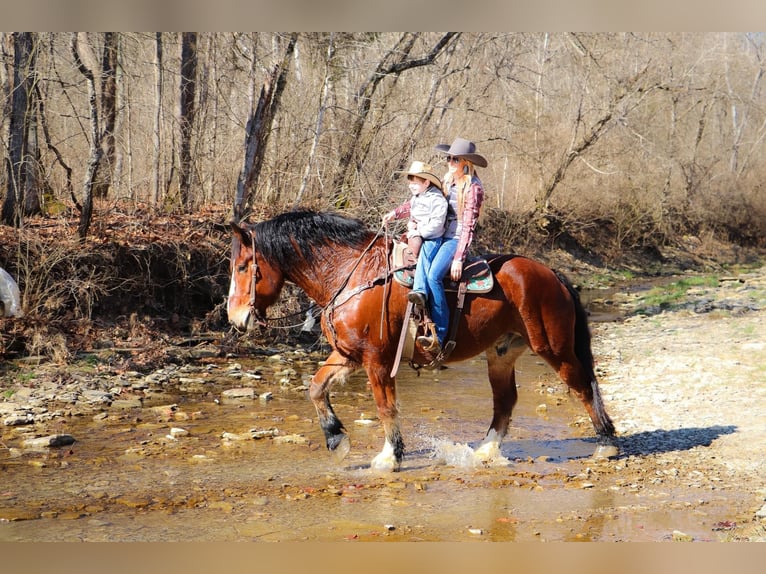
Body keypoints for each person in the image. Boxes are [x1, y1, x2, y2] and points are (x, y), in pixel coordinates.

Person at [407, 137, 486, 353]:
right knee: (420, 255)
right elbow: (423, 200)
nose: (450, 162)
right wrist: (397, 214)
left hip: (455, 238)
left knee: (434, 276)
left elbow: (468, 224)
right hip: (438, 232)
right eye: (448, 158)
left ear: (466, 163)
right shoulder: (446, 179)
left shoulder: (473, 188)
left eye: (454, 159)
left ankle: (439, 335)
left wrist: (459, 257)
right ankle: (419, 297)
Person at [382, 161, 447, 260]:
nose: (410, 186)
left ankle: (421, 275)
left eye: (414, 183)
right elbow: (409, 207)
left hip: (432, 238)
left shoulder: (437, 199)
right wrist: (394, 214)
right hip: (418, 233)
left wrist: (419, 231)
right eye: (410, 183)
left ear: (426, 183)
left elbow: (437, 223)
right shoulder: (418, 196)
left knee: (423, 263)